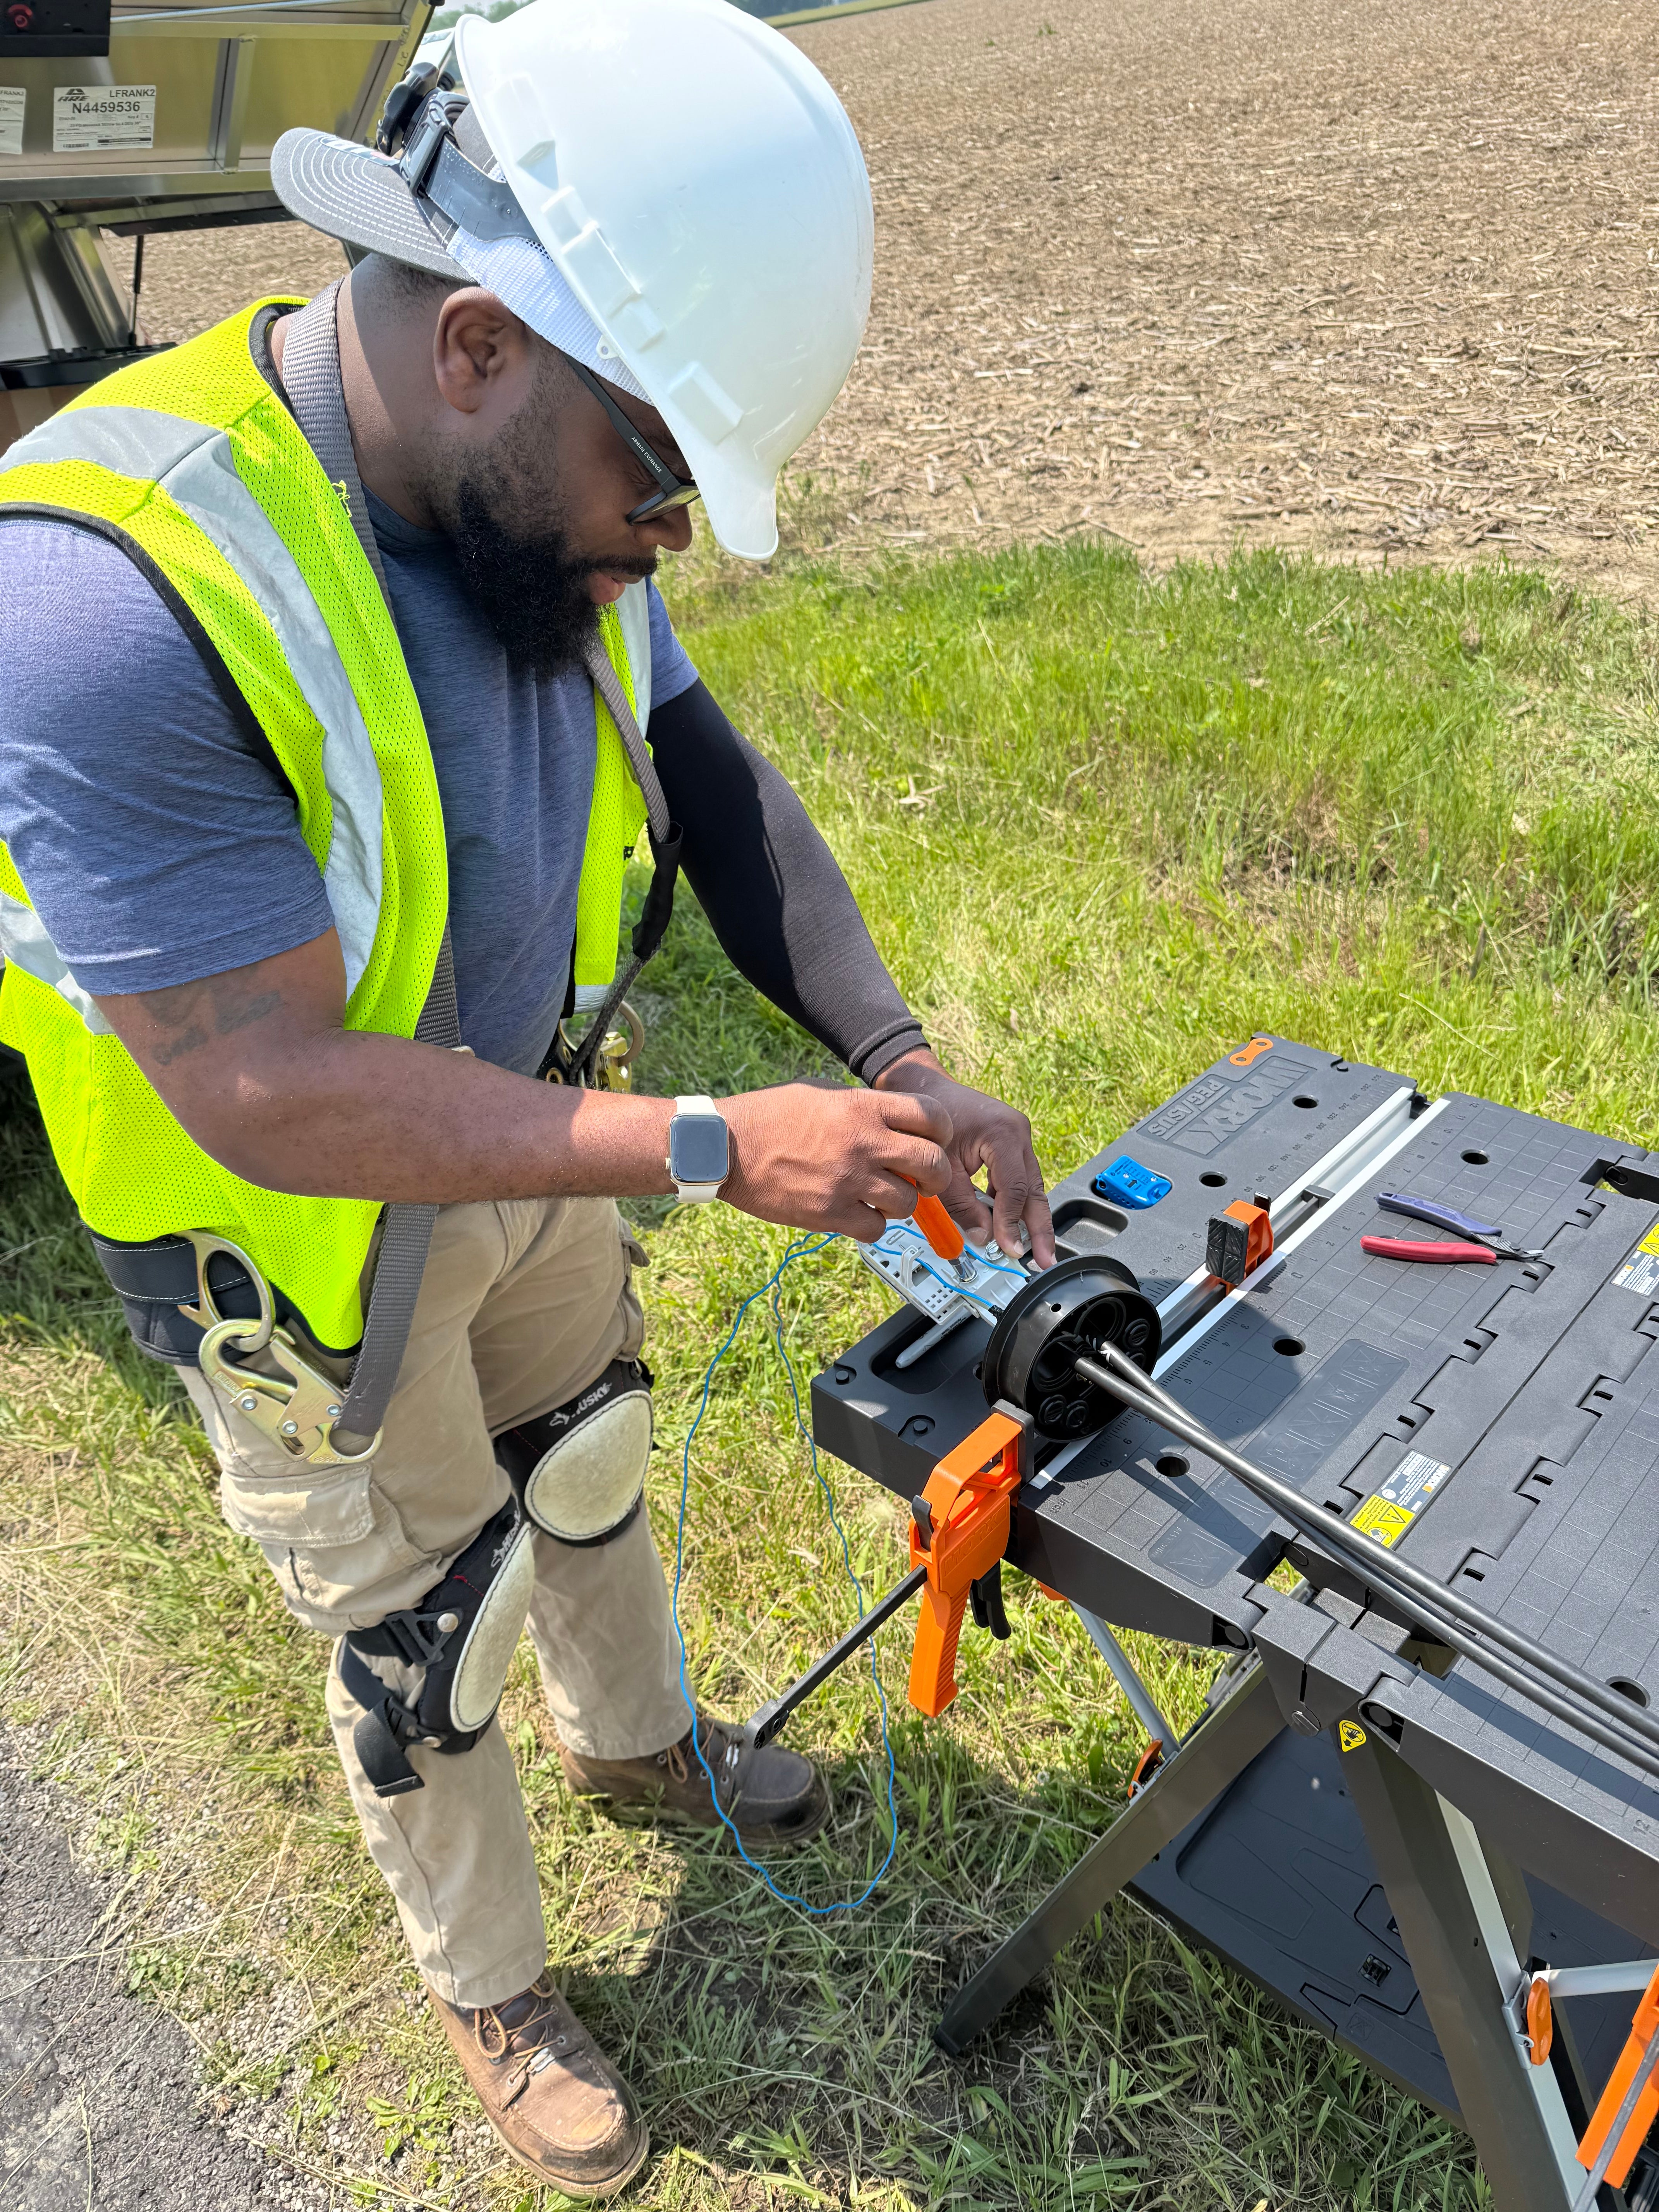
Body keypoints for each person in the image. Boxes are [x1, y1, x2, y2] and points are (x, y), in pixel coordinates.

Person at [0, 0, 1053, 2193]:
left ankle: (646, 1749)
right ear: (480, 343)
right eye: (653, 470)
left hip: (531, 1136)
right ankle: (488, 1980)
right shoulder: (109, 592)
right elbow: (261, 1083)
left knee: (587, 1458)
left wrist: (891, 1060)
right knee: (420, 1627)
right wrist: (701, 1142)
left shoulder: (522, 504)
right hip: (291, 1250)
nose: (667, 534)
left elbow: (706, 777)